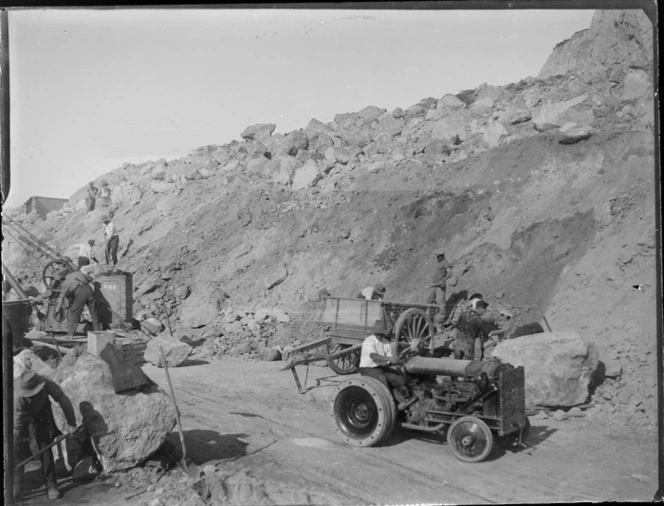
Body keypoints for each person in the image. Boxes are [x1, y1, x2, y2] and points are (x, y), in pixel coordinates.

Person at [14, 370, 77, 502]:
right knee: (18, 449)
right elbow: (17, 424)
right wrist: (16, 439)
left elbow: (63, 400)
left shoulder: (46, 383)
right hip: (23, 416)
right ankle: (17, 487)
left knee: (45, 445)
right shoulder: (18, 399)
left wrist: (71, 423)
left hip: (43, 411)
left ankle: (51, 485)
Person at [359, 320, 420, 406]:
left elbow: (389, 361)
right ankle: (390, 404)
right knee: (382, 379)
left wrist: (397, 363)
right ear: (374, 333)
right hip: (368, 369)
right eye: (377, 334)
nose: (379, 336)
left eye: (380, 334)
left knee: (398, 379)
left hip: (381, 368)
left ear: (383, 334)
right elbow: (373, 356)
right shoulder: (368, 341)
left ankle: (407, 399)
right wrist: (389, 359)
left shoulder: (386, 343)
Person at [54, 268, 100, 337]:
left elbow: (61, 297)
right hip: (90, 291)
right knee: (94, 313)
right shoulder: (78, 273)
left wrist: (57, 309)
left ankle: (70, 335)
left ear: (62, 277)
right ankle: (98, 332)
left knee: (74, 313)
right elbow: (91, 279)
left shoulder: (66, 283)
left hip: (80, 294)